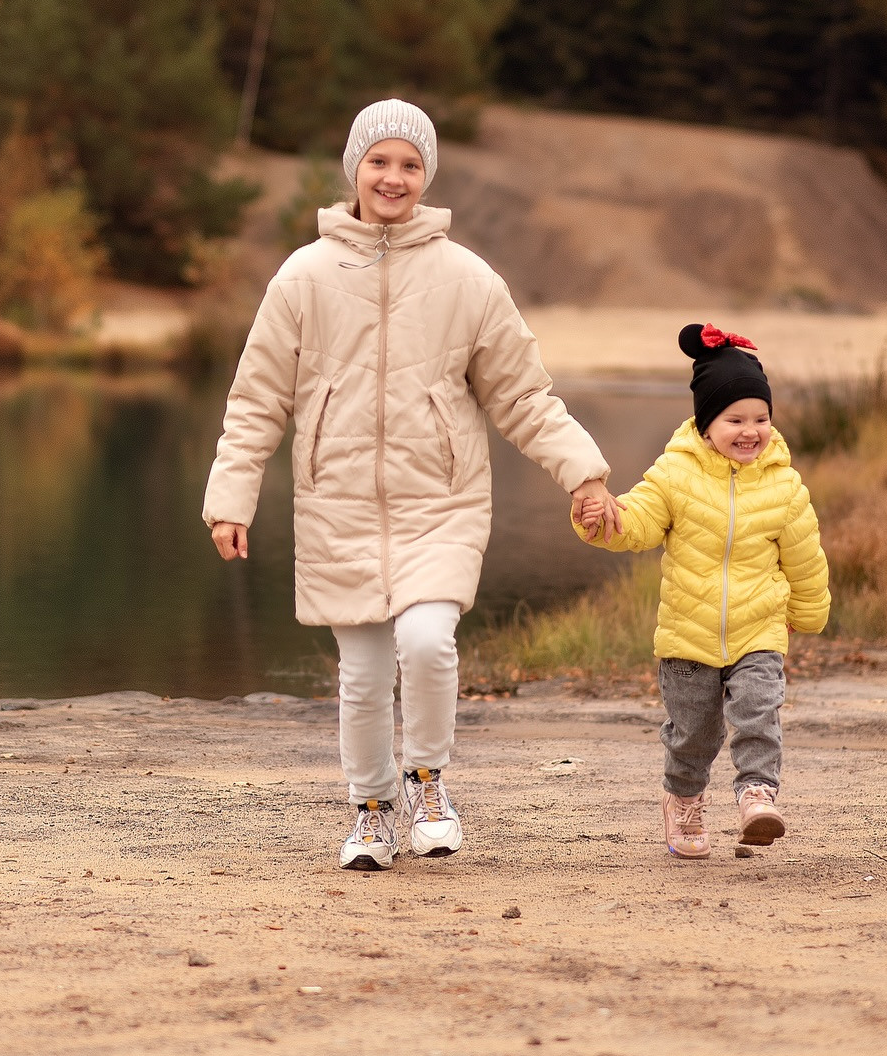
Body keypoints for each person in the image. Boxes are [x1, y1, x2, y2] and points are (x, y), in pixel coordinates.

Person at [204, 98, 625, 870]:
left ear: (427, 174)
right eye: (379, 161)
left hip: (441, 504)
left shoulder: (468, 279)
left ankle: (428, 785)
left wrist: (584, 474)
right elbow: (257, 398)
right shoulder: (303, 276)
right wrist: (232, 500)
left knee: (428, 643)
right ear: (354, 170)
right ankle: (371, 811)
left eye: (409, 163)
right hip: (337, 507)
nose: (393, 177)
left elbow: (524, 397)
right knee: (364, 676)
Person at [572, 322, 830, 859]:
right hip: (687, 636)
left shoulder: (784, 485)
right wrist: (602, 519)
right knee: (694, 734)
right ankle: (684, 799)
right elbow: (639, 521)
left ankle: (757, 795)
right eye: (735, 419)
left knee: (758, 710)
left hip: (758, 630)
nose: (750, 431)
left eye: (760, 418)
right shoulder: (674, 474)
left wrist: (807, 614)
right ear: (706, 424)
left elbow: (805, 556)